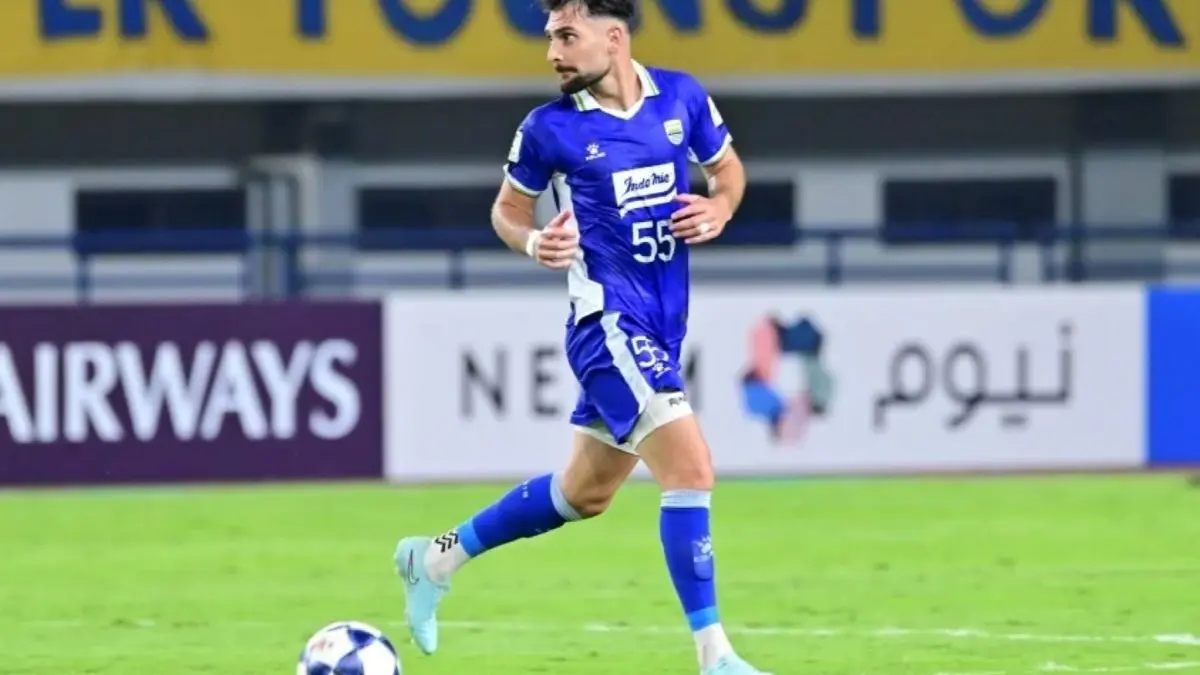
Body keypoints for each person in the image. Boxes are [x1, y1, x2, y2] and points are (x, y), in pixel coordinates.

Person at [394, 1, 769, 673]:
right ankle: (715, 656)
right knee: (691, 469)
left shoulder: (681, 98)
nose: (553, 53)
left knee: (583, 494)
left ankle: (434, 558)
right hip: (608, 325)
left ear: (613, 37)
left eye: (567, 36)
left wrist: (719, 206)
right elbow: (507, 211)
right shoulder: (549, 129)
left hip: (662, 325)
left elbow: (728, 170)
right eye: (550, 38)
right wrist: (534, 240)